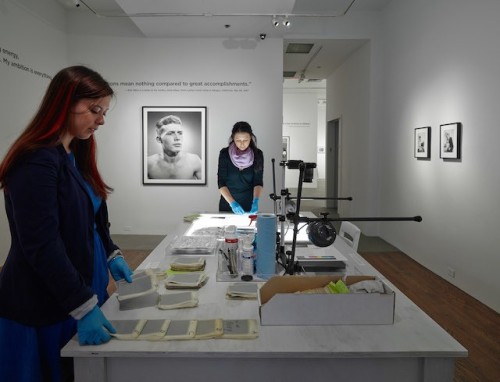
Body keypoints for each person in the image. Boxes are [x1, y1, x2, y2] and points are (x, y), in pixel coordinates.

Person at [0, 65, 133, 382]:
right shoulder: (35, 160)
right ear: (64, 102)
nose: (101, 120)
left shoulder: (75, 151)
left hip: (79, 291)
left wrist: (111, 252)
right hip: (43, 303)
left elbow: (93, 215)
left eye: (103, 112)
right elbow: (41, 244)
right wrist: (82, 306)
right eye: (94, 109)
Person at [217, 121, 263, 214]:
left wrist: (256, 201)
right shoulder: (224, 154)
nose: (242, 144)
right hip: (228, 204)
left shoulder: (257, 154)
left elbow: (258, 182)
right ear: (233, 138)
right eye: (238, 140)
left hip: (248, 204)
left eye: (245, 140)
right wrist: (232, 203)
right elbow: (221, 183)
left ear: (251, 138)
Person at [147, 115, 202, 179]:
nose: (177, 138)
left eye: (180, 133)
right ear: (159, 139)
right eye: (170, 133)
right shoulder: (148, 163)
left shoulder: (194, 161)